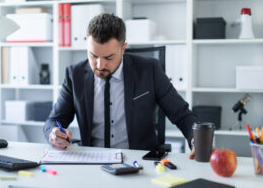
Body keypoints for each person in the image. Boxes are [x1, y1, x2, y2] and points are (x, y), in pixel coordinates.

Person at [43, 13, 198, 158]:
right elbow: (54, 120)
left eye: (109, 57)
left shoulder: (149, 70)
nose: (100, 65)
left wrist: (196, 140)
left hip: (139, 160)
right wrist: (54, 133)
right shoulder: (74, 74)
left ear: (123, 48)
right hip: (93, 160)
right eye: (93, 55)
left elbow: (181, 114)